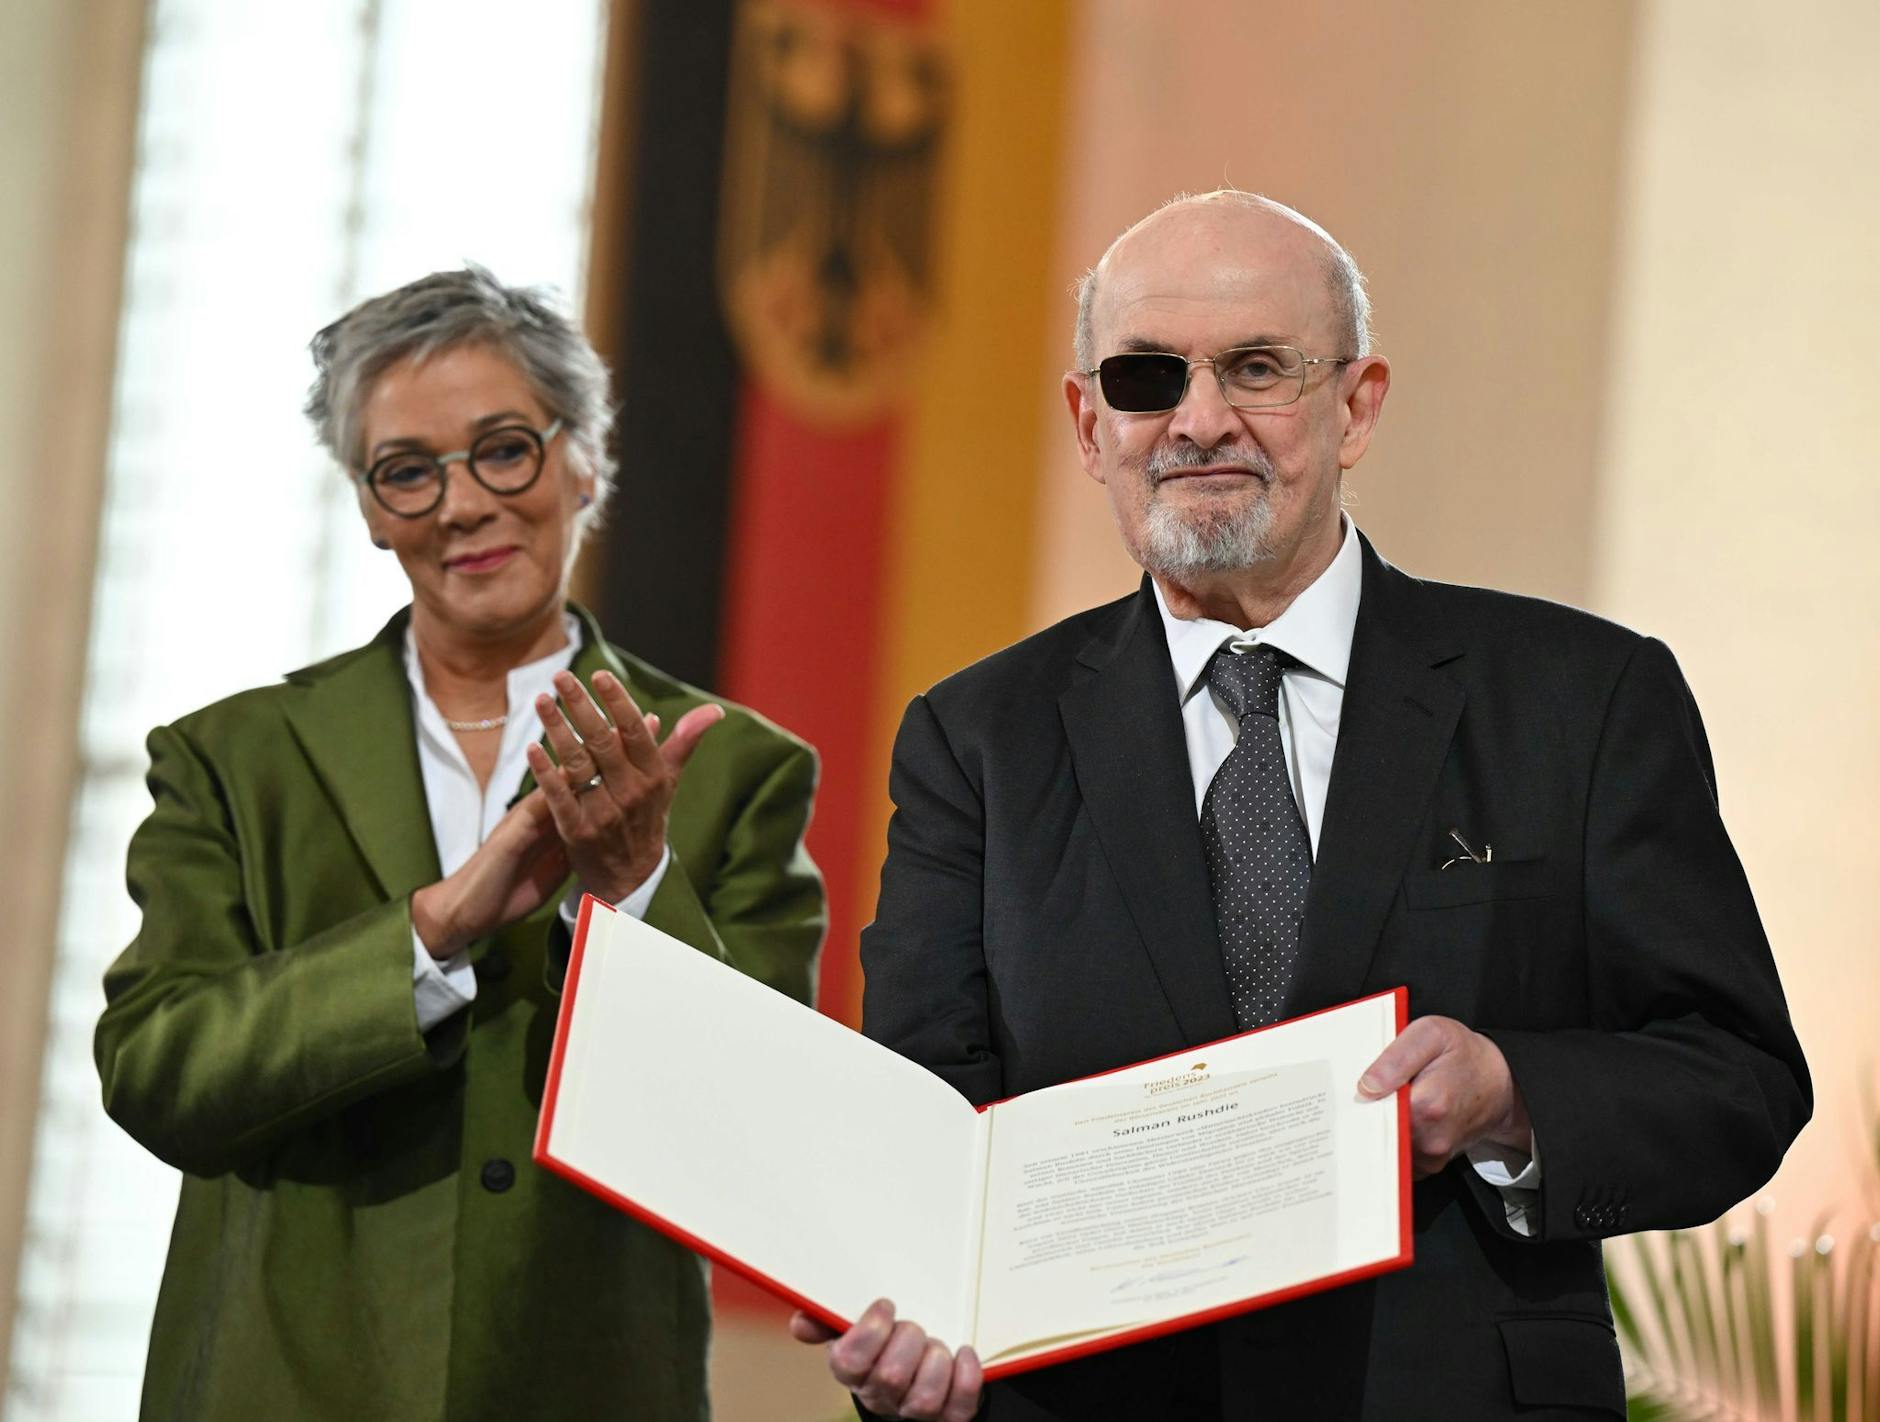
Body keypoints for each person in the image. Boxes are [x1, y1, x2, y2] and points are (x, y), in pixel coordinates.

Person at [795, 191, 1810, 1421]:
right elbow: (930, 1132)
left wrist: (1508, 1093)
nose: (1199, 420)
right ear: (1085, 419)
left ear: (1357, 404)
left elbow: (1732, 1077)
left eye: (1258, 368)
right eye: (1145, 378)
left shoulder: (1578, 699)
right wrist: (904, 1323)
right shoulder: (976, 740)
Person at [94, 267, 825, 1421]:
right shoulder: (235, 761)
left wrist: (634, 883)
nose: (462, 504)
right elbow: (157, 1073)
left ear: (584, 458)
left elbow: (756, 1148)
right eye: (406, 471)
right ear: (370, 510)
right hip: (274, 1383)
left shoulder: (733, 770)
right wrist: (430, 936)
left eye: (503, 450)